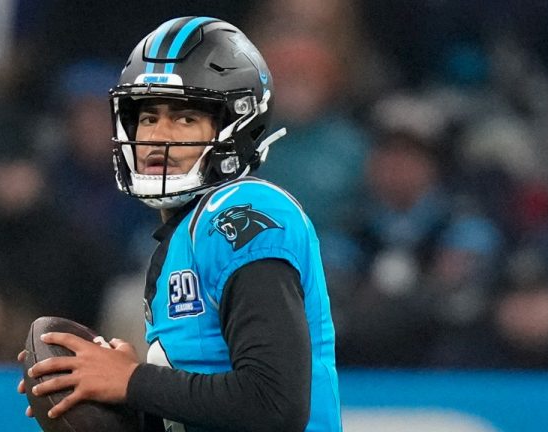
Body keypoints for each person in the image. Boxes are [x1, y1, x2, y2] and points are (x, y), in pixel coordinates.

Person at [18, 17, 342, 431]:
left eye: (185, 118)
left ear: (234, 125)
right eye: (148, 117)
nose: (157, 135)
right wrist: (107, 401)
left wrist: (132, 381)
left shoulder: (241, 212)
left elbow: (274, 403)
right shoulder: (184, 234)